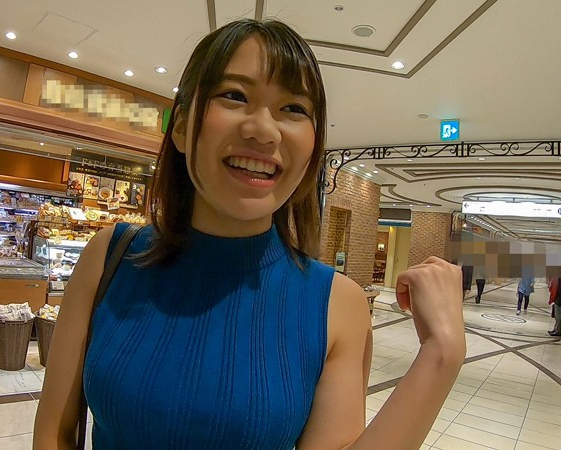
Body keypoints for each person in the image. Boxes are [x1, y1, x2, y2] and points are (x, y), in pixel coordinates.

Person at [33, 19, 465, 450]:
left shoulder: (337, 304)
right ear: (181, 126)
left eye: (293, 108)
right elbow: (54, 434)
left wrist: (441, 354)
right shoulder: (111, 256)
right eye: (235, 96)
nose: (263, 130)